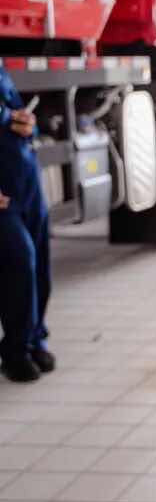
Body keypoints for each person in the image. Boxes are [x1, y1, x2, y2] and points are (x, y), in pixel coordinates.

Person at [0, 65, 53, 383]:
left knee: (40, 266)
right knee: (21, 262)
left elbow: (13, 116)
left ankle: (35, 340)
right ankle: (15, 351)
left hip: (25, 180)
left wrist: (26, 122)